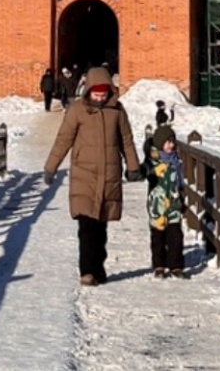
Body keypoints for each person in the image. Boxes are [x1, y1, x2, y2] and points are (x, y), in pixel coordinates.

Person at [43, 65, 143, 286]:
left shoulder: (117, 111)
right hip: (84, 176)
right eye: (96, 92)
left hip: (109, 175)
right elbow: (63, 140)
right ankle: (87, 271)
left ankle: (98, 268)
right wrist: (51, 167)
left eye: (104, 92)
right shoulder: (77, 110)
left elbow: (126, 140)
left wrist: (133, 166)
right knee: (86, 226)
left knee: (101, 228)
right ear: (88, 89)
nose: (100, 96)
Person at [145, 125, 185, 278]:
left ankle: (176, 265)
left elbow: (180, 181)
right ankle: (159, 265)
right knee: (158, 237)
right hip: (158, 206)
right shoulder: (153, 162)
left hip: (174, 205)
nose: (171, 145)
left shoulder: (176, 161)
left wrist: (182, 195)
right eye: (167, 142)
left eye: (173, 141)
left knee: (175, 236)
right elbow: (145, 174)